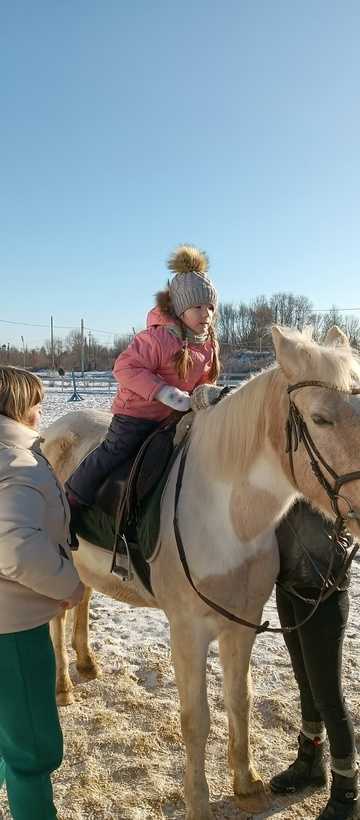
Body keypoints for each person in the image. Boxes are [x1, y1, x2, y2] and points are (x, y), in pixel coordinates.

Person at [65, 244, 220, 508]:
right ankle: (71, 499)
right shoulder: (157, 338)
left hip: (174, 417)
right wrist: (165, 393)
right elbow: (125, 368)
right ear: (180, 310)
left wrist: (208, 396)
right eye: (197, 307)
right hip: (137, 415)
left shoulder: (208, 344)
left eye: (210, 307)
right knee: (115, 451)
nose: (206, 313)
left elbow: (203, 382)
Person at [0, 365, 84, 820]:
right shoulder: (17, 463)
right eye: (35, 402)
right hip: (13, 627)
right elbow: (15, 550)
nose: (41, 411)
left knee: (6, 727)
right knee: (33, 748)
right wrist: (69, 584)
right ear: (16, 406)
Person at [271, 500, 359, 820]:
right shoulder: (287, 462)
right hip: (289, 584)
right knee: (305, 683)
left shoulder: (330, 462)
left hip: (324, 592)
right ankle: (310, 761)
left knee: (328, 696)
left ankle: (347, 794)